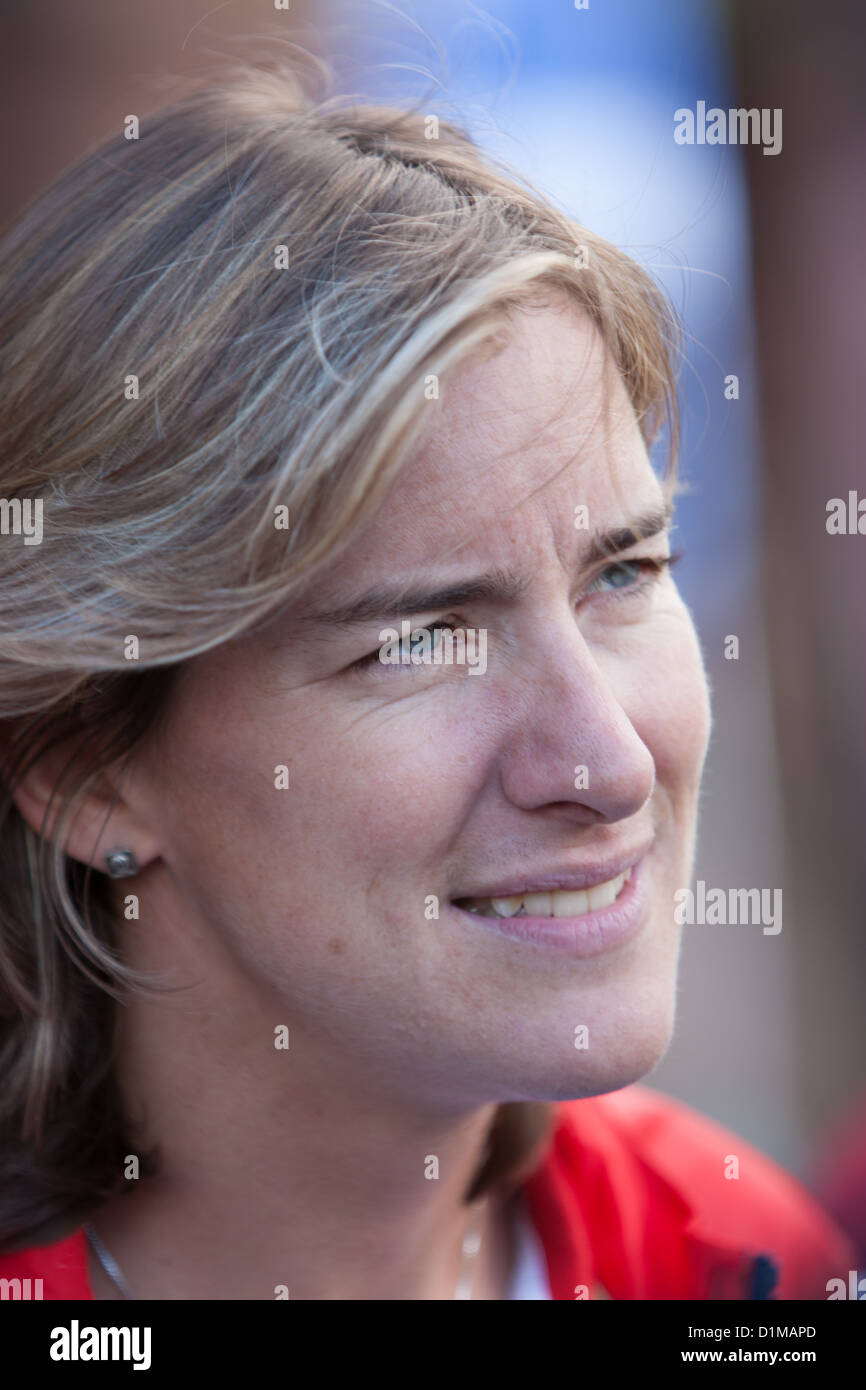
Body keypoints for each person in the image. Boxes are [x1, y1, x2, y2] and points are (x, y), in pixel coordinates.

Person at [0, 61, 854, 1300]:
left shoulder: (738, 1264)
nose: (609, 763)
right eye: (420, 640)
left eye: (622, 572)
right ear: (82, 770)